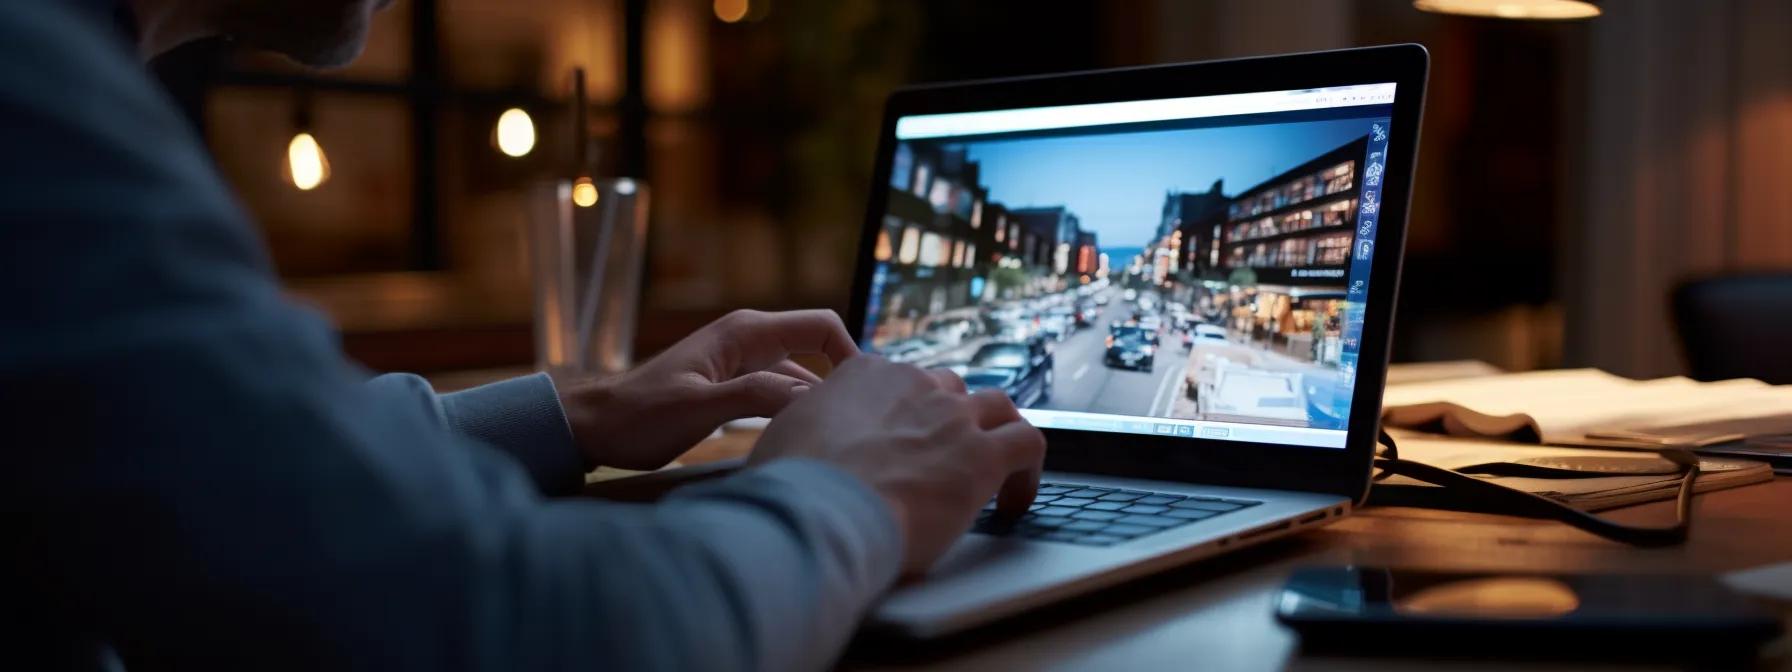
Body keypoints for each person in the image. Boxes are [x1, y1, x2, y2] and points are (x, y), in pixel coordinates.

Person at [0, 1, 1047, 670]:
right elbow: (522, 628)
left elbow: (226, 470)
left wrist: (578, 410)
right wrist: (851, 494)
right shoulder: (32, 91)